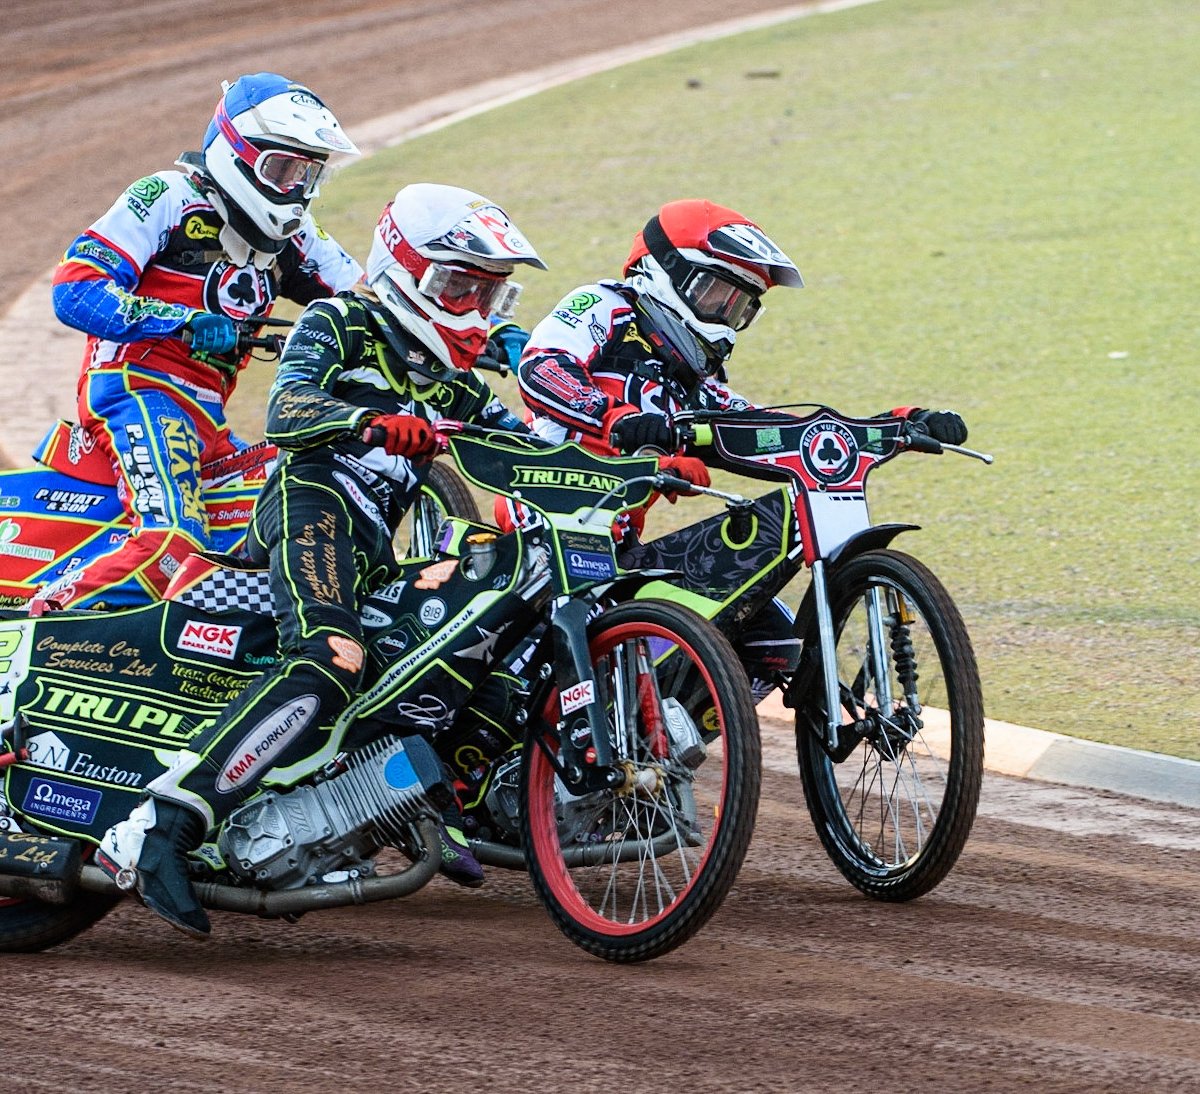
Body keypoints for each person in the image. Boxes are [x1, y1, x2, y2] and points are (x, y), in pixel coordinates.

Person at [95, 183, 546, 937]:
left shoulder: (449, 380)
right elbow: (286, 409)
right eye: (458, 285)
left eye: (487, 292)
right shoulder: (344, 318)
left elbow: (527, 444)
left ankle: (400, 808)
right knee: (331, 658)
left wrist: (637, 461)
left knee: (418, 653)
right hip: (310, 504)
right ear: (405, 269)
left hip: (369, 541)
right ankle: (160, 825)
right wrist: (372, 421)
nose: (472, 307)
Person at [517, 199, 968, 696]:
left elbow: (763, 428)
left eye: (740, 306)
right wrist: (616, 418)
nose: (726, 318)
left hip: (620, 553)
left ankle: (660, 745)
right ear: (662, 271)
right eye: (715, 294)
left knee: (766, 638)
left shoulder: (695, 379)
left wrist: (885, 428)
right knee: (607, 644)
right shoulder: (604, 304)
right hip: (542, 534)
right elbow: (541, 368)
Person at [46, 74, 365, 607]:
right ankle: (38, 619)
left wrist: (482, 332)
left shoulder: (297, 235)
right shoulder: (166, 196)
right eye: (284, 168)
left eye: (310, 173)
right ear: (237, 152)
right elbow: (74, 291)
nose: (297, 188)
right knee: (173, 538)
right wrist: (179, 321)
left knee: (302, 488)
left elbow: (370, 300)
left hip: (208, 421)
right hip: (135, 391)